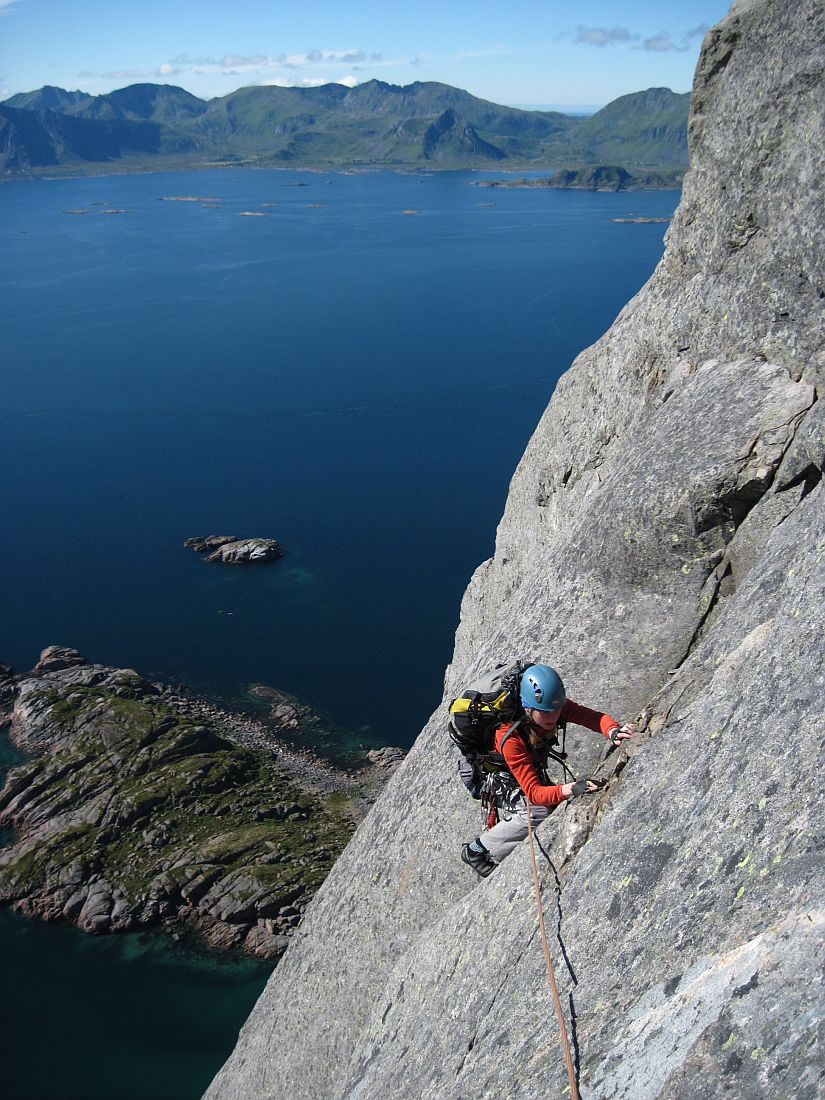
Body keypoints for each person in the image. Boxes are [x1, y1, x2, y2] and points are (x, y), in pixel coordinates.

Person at [460, 664, 633, 877]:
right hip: (494, 775)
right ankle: (476, 850)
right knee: (537, 811)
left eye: (557, 710)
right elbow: (534, 794)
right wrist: (571, 789)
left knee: (551, 798)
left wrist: (613, 730)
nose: (553, 716)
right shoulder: (509, 738)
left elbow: (593, 717)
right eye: (545, 712)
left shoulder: (551, 705)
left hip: (519, 765)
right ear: (527, 708)